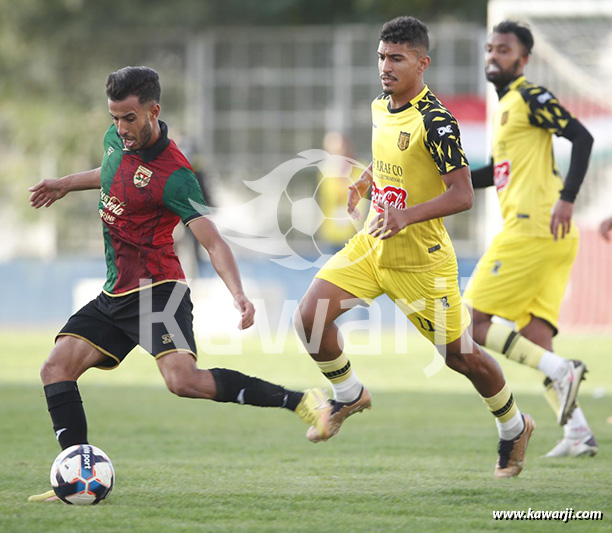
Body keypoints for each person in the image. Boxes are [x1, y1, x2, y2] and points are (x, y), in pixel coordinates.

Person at [27, 66, 330, 502]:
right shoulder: (117, 139)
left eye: (129, 118)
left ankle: (301, 401)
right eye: (114, 117)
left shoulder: (177, 175)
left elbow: (212, 239)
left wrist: (239, 295)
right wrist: (64, 184)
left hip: (158, 291)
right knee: (55, 369)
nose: (120, 127)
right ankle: (76, 475)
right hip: (116, 292)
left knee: (183, 381)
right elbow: (111, 171)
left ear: (154, 111)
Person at [293, 17, 534, 478]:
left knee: (460, 356)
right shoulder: (381, 105)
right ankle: (349, 395)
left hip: (420, 260)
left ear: (422, 63)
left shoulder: (437, 121)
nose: (385, 66)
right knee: (309, 317)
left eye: (396, 58)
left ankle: (513, 426)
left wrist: (404, 215)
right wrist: (364, 182)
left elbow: (462, 194)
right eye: (382, 57)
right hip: (372, 245)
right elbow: (389, 159)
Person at [463, 21, 597, 457]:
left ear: (523, 59)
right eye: (490, 48)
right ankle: (576, 432)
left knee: (473, 324)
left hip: (532, 227)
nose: (493, 55)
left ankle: (563, 369)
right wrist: (446, 180)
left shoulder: (529, 96)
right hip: (548, 235)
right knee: (535, 336)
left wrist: (568, 198)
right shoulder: (505, 111)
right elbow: (493, 173)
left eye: (503, 49)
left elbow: (582, 135)